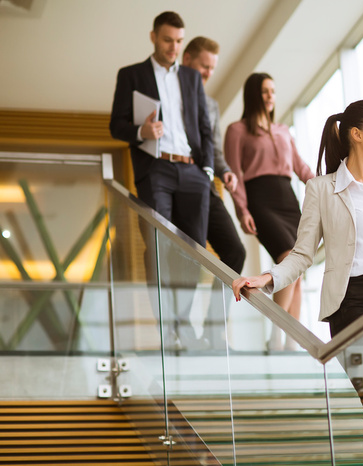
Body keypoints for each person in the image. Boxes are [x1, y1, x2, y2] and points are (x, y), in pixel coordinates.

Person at [231, 100, 363, 465]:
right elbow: (302, 254)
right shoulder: (321, 188)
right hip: (355, 303)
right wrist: (268, 277)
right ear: (356, 134)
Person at [109, 11, 213, 350]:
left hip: (192, 171)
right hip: (156, 170)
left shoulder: (191, 77)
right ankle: (166, 329)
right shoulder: (131, 75)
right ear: (154, 37)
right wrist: (141, 131)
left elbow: (204, 126)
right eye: (168, 40)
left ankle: (182, 324)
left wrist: (207, 169)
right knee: (157, 247)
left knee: (193, 251)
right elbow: (116, 125)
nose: (174, 47)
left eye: (179, 41)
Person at [224, 72, 313, 351]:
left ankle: (291, 343)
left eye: (273, 90)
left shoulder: (283, 130)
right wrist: (242, 210)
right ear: (253, 95)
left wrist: (329, 186)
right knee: (287, 258)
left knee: (297, 271)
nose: (270, 96)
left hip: (288, 199)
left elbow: (301, 168)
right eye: (264, 91)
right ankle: (275, 336)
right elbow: (234, 174)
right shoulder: (237, 130)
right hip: (260, 200)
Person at [182, 36, 246, 274]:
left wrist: (226, 171)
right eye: (204, 66)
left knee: (236, 251)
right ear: (187, 59)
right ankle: (181, 314)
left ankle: (217, 313)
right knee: (190, 257)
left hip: (207, 186)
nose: (209, 73)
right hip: (180, 185)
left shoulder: (211, 106)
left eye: (212, 68)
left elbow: (215, 150)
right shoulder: (169, 98)